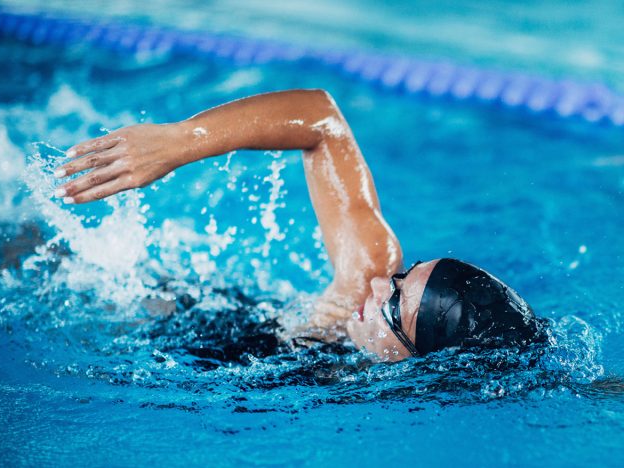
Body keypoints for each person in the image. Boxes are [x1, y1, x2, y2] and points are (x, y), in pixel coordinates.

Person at [53, 89, 546, 361]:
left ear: (421, 361)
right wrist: (180, 142)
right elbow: (320, 118)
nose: (377, 284)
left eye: (395, 305)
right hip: (169, 311)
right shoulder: (362, 285)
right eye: (402, 277)